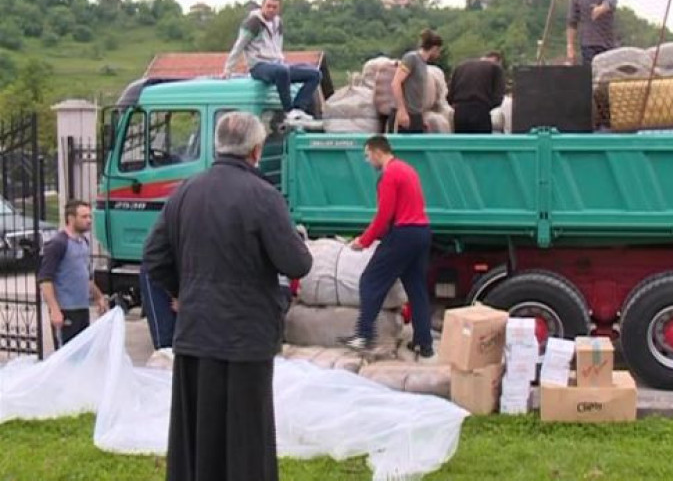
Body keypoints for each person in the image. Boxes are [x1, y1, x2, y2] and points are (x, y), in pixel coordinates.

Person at [143, 111, 312, 481]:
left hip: (196, 330)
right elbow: (296, 262)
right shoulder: (263, 196)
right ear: (256, 149)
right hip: (245, 335)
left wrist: (182, 291)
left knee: (198, 431)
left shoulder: (185, 191)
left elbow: (154, 256)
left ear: (217, 146)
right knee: (246, 435)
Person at [340, 135, 435, 361]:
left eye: (367, 155)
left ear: (376, 152)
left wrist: (363, 241)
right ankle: (424, 343)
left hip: (402, 234)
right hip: (421, 232)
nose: (367, 161)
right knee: (417, 289)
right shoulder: (407, 169)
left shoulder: (389, 174)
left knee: (370, 281)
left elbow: (385, 215)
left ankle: (363, 337)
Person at [223, 0, 321, 122]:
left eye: (274, 7)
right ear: (262, 6)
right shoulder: (253, 22)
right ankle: (288, 110)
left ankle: (298, 108)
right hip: (259, 66)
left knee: (315, 74)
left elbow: (277, 46)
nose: (271, 10)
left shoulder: (278, 23)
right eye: (268, 6)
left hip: (277, 64)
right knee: (282, 71)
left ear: (278, 9)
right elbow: (239, 46)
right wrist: (228, 69)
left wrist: (280, 60)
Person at [38, 200, 108, 349]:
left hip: (82, 308)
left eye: (90, 217)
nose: (89, 221)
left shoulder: (83, 242)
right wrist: (55, 310)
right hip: (65, 311)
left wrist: (99, 297)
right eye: (84, 217)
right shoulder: (58, 243)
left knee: (81, 354)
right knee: (66, 356)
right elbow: (45, 280)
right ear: (70, 218)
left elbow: (85, 276)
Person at [388, 29, 444, 134]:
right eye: (439, 51)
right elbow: (396, 83)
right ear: (435, 48)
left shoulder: (423, 64)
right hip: (404, 114)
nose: (439, 54)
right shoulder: (411, 58)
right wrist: (401, 111)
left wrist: (421, 117)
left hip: (415, 115)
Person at [566, 0, 618, 68]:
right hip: (588, 44)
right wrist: (570, 46)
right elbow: (572, 23)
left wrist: (601, 8)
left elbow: (610, 2)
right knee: (589, 75)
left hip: (607, 45)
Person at [447, 51, 506, 133]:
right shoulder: (495, 68)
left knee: (462, 143)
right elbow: (498, 97)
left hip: (459, 112)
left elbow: (450, 94)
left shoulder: (460, 66)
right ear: (498, 61)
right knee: (481, 144)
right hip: (481, 111)